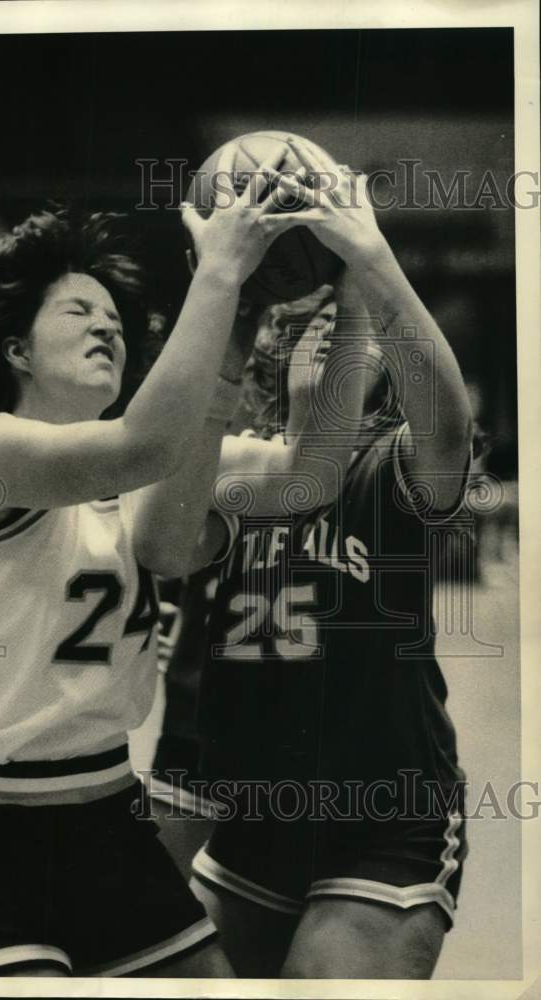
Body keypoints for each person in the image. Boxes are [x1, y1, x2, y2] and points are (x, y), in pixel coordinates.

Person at [0, 159, 289, 979]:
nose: (107, 327)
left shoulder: (132, 484)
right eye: (78, 311)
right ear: (16, 349)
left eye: (115, 318)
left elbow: (181, 523)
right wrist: (216, 270)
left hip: (111, 822)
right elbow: (144, 442)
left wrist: (243, 344)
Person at [158, 136, 473, 979]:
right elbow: (172, 540)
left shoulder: (392, 466)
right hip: (253, 817)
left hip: (384, 814)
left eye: (350, 327)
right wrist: (221, 288)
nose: (331, 336)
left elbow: (448, 422)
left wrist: (367, 260)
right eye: (314, 321)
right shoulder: (234, 469)